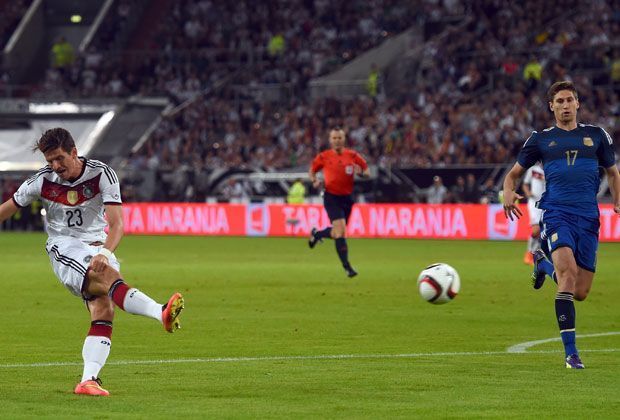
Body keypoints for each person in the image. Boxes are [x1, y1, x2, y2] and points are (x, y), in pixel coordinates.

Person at [0, 128, 185, 395]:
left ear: (74, 152)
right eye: (49, 160)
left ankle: (88, 380)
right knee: (105, 279)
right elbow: (7, 208)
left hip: (98, 246)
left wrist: (105, 253)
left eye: (60, 158)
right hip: (64, 247)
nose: (55, 166)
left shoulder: (101, 174)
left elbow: (117, 224)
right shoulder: (41, 181)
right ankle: (160, 312)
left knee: (104, 309)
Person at [502, 81, 620, 369]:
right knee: (567, 277)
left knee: (580, 292)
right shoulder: (540, 139)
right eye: (560, 101)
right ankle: (571, 354)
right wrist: (508, 192)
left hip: (589, 217)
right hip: (556, 213)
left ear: (577, 104)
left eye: (569, 100)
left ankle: (542, 264)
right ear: (551, 107)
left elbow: (613, 173)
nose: (565, 105)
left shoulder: (597, 136)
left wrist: (617, 201)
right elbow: (514, 174)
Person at [308, 128, 370, 277]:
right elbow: (312, 171)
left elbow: (367, 172)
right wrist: (315, 180)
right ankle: (347, 267)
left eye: (339, 138)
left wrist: (360, 173)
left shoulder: (353, 155)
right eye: (334, 138)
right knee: (341, 231)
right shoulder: (323, 156)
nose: (337, 140)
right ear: (330, 140)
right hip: (331, 197)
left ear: (344, 139)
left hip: (347, 198)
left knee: (338, 233)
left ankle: (317, 234)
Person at [521, 162, 545, 265]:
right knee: (536, 230)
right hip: (534, 202)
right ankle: (529, 254)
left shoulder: (552, 168)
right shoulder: (533, 169)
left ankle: (536, 256)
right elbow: (525, 184)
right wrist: (528, 193)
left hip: (546, 203)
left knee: (542, 232)